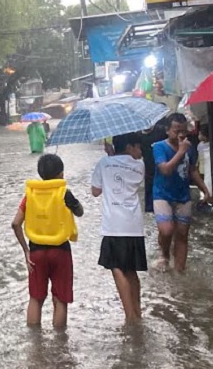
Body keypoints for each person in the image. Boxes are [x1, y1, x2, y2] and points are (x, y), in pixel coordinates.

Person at [11, 154, 84, 328]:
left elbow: (15, 224)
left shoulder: (30, 195)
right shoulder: (65, 194)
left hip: (36, 252)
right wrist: (74, 204)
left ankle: (35, 345)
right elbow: (80, 212)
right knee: (60, 300)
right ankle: (59, 345)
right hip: (60, 251)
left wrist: (26, 251)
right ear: (61, 174)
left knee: (35, 298)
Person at [91, 132, 146, 324]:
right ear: (129, 147)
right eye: (138, 147)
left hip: (113, 225)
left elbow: (95, 192)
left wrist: (110, 158)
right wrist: (113, 156)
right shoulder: (140, 165)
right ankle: (137, 311)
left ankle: (129, 316)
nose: (140, 151)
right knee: (131, 269)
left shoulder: (103, 164)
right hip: (134, 225)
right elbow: (126, 170)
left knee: (116, 267)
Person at [152, 113, 213, 272]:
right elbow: (165, 169)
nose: (181, 134)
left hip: (183, 195)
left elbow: (192, 171)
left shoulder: (190, 147)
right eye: (176, 130)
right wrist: (180, 151)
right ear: (167, 130)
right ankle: (164, 254)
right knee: (166, 230)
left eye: (184, 131)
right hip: (162, 194)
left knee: (182, 234)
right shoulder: (159, 147)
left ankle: (179, 272)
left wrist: (205, 190)